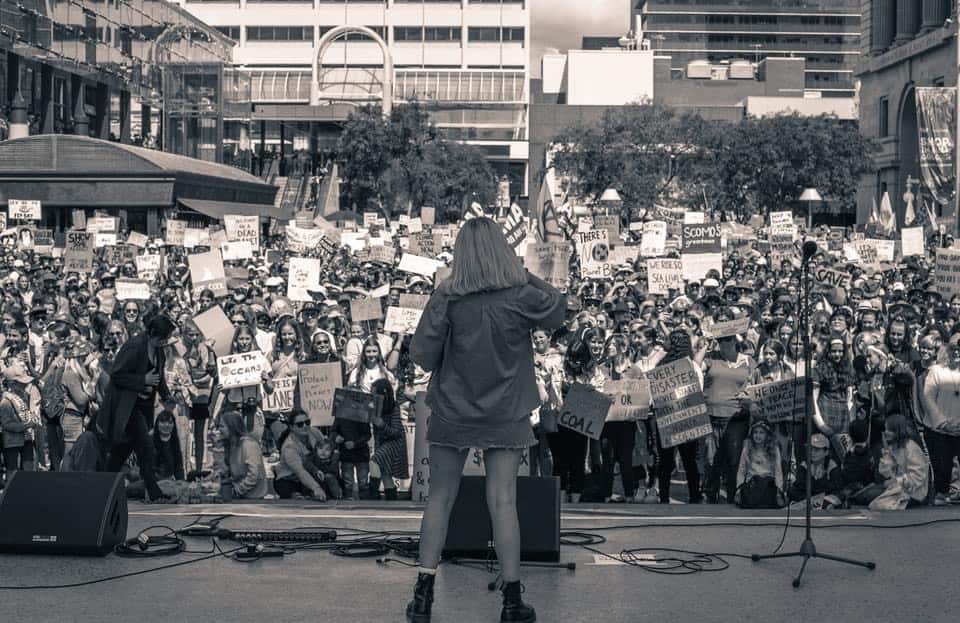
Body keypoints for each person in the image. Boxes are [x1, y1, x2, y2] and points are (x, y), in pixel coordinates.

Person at [407, 217, 564, 623]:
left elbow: (421, 355)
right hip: (506, 411)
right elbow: (559, 309)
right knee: (503, 501)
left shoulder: (448, 296)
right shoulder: (520, 295)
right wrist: (528, 276)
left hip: (453, 409)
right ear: (501, 251)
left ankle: (422, 595)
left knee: (439, 499)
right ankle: (512, 601)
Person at [96, 314, 177, 502]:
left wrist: (166, 395)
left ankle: (102, 485)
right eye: (163, 337)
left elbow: (159, 377)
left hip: (143, 406)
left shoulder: (158, 349)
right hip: (128, 407)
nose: (166, 342)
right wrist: (142, 380)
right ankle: (154, 492)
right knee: (146, 447)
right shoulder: (134, 346)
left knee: (123, 449)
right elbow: (116, 375)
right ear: (153, 334)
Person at [273, 411, 340, 500]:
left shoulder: (314, 431)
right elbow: (301, 472)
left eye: (307, 422)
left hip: (313, 473)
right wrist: (317, 488)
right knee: (298, 496)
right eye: (300, 424)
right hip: (290, 479)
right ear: (292, 427)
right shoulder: (289, 447)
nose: (305, 426)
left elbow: (328, 447)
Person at [869, 414, 929, 511]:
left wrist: (897, 481)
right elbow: (885, 472)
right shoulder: (893, 447)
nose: (885, 433)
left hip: (913, 491)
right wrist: (886, 451)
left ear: (897, 431)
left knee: (878, 503)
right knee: (868, 495)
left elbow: (918, 476)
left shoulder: (911, 447)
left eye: (888, 430)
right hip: (896, 487)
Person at [367, 377, 408, 501]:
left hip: (395, 442)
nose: (372, 396)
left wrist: (382, 425)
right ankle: (391, 499)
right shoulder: (373, 408)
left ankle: (373, 495)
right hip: (385, 442)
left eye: (374, 393)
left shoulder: (394, 407)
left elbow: (396, 432)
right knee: (385, 473)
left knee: (374, 462)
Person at [734, 418, 784, 509]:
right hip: (752, 484)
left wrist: (779, 490)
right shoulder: (747, 448)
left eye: (762, 433)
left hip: (768, 483)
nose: (758, 435)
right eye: (755, 432)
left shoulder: (774, 449)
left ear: (767, 435)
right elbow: (741, 470)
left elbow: (778, 471)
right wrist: (738, 488)